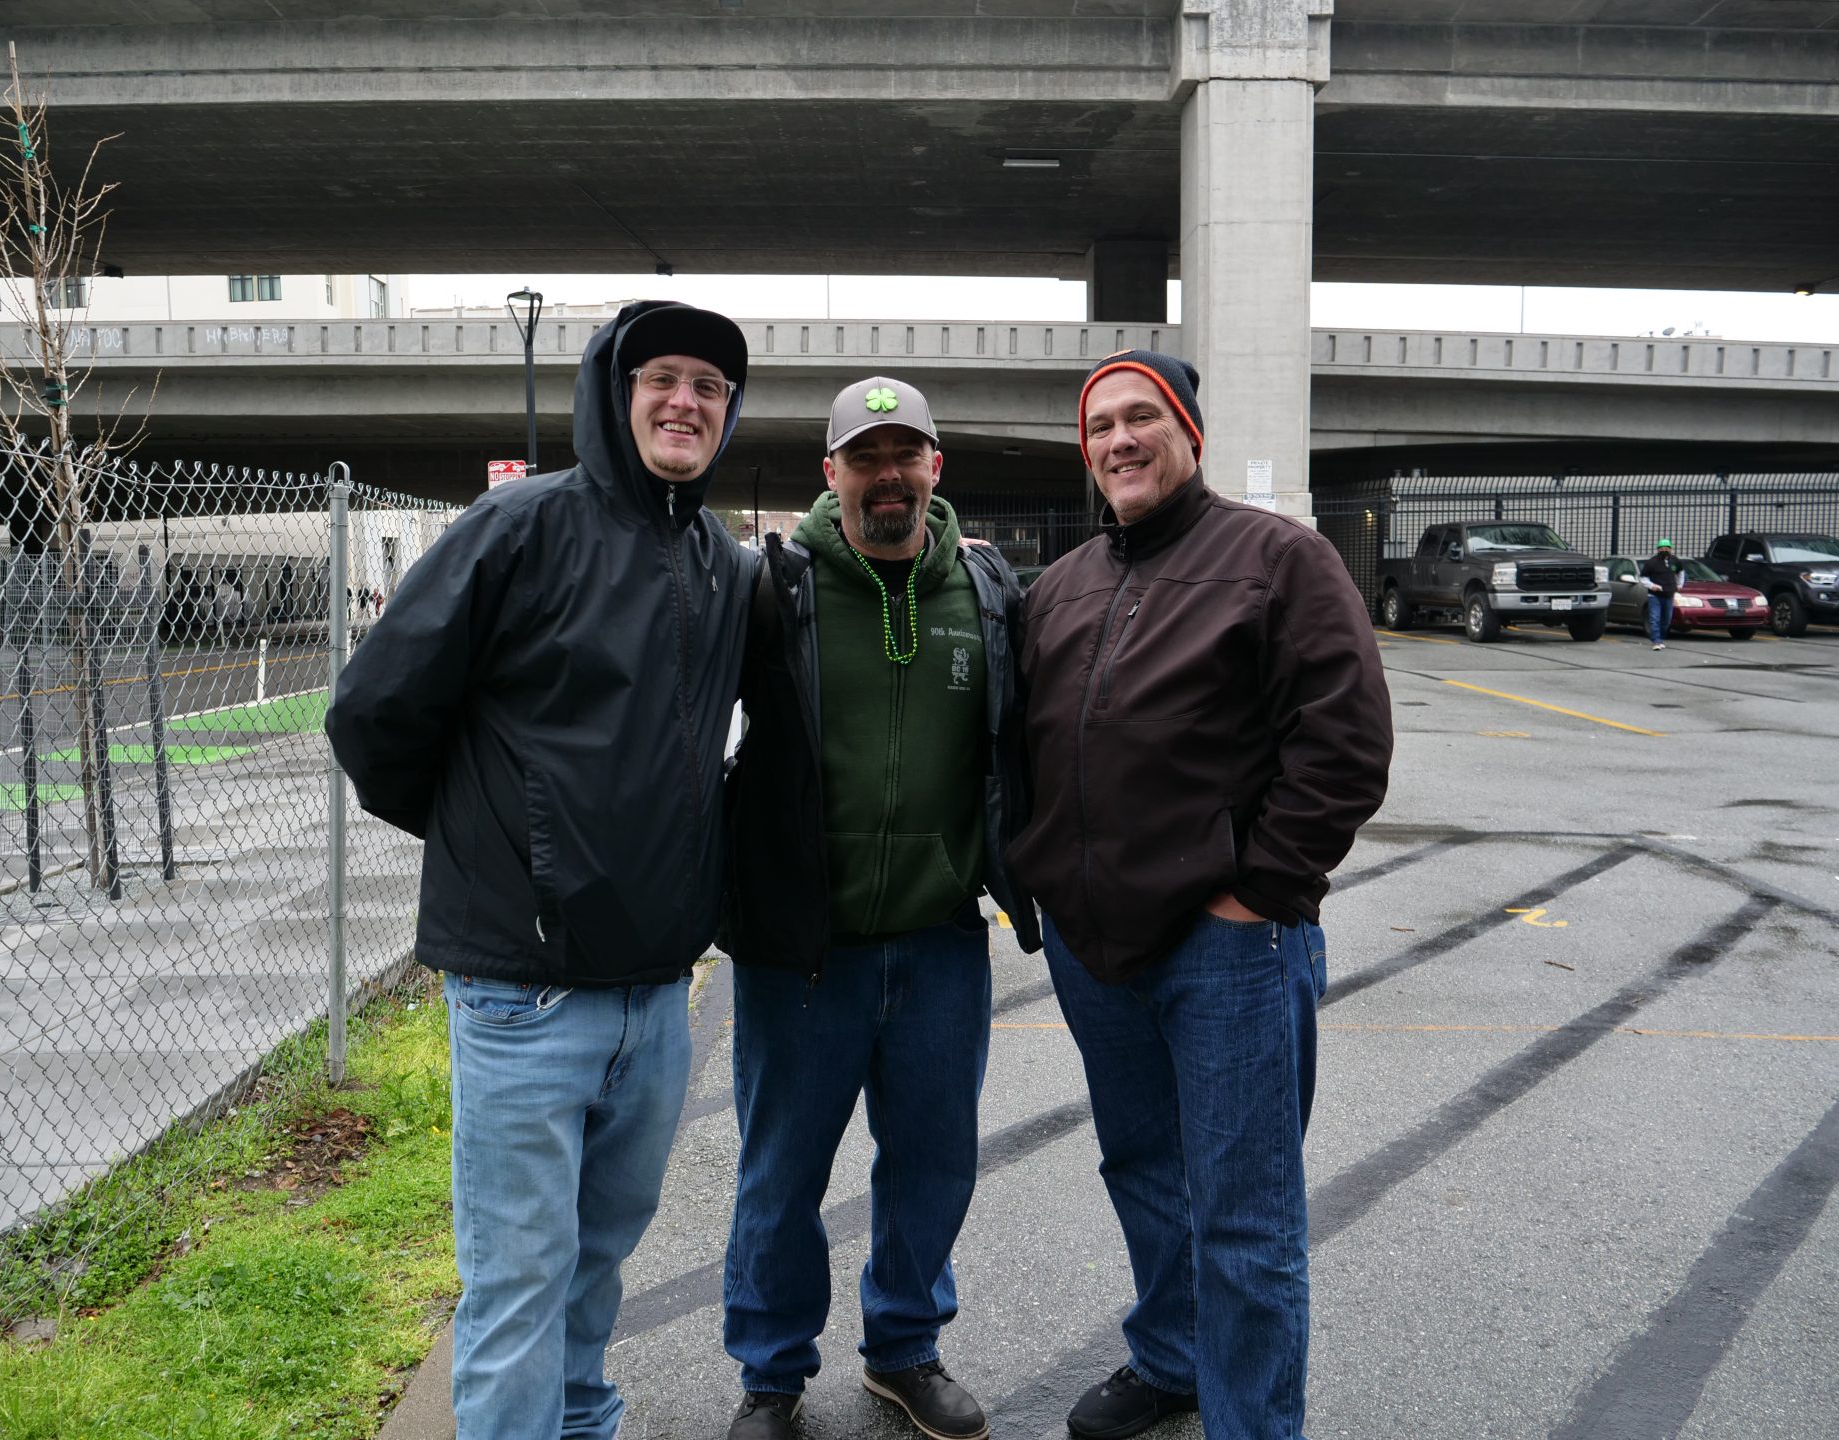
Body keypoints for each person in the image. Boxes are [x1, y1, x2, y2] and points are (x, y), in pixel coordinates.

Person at [326, 301, 756, 1440]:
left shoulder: (721, 564)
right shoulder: (520, 526)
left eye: (710, 387)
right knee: (518, 1283)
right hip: (524, 993)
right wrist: (495, 843)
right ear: (615, 393)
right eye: (662, 377)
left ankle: (582, 1421)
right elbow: (375, 709)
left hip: (659, 994)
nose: (685, 401)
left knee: (597, 1260)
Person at [1009, 350, 1393, 1440]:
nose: (1120, 441)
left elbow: (1346, 745)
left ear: (1191, 432)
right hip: (1096, 946)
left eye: (1143, 418)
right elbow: (1025, 749)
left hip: (1228, 948)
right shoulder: (1062, 587)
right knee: (1139, 1166)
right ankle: (1173, 1358)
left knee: (1244, 1215)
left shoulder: (1279, 560)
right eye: (1101, 428)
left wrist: (1258, 892)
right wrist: (1035, 876)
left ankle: (1251, 1423)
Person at [718, 376, 1039, 1440]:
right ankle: (772, 1375)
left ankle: (905, 1350)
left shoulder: (987, 591)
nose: (888, 475)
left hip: (943, 943)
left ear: (936, 469)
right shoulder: (774, 589)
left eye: (908, 455)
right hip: (804, 954)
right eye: (866, 457)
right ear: (832, 474)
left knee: (934, 1164)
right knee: (781, 1175)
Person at [1642, 538, 1683, 650]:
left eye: (1667, 548)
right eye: (1662, 548)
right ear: (1658, 549)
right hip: (1654, 595)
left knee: (1667, 620)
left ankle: (1661, 637)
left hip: (1669, 595)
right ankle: (1656, 640)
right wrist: (1651, 586)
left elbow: (1680, 573)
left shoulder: (1675, 561)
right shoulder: (1652, 562)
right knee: (1655, 617)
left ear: (1671, 549)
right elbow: (1643, 577)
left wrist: (1679, 585)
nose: (1665, 550)